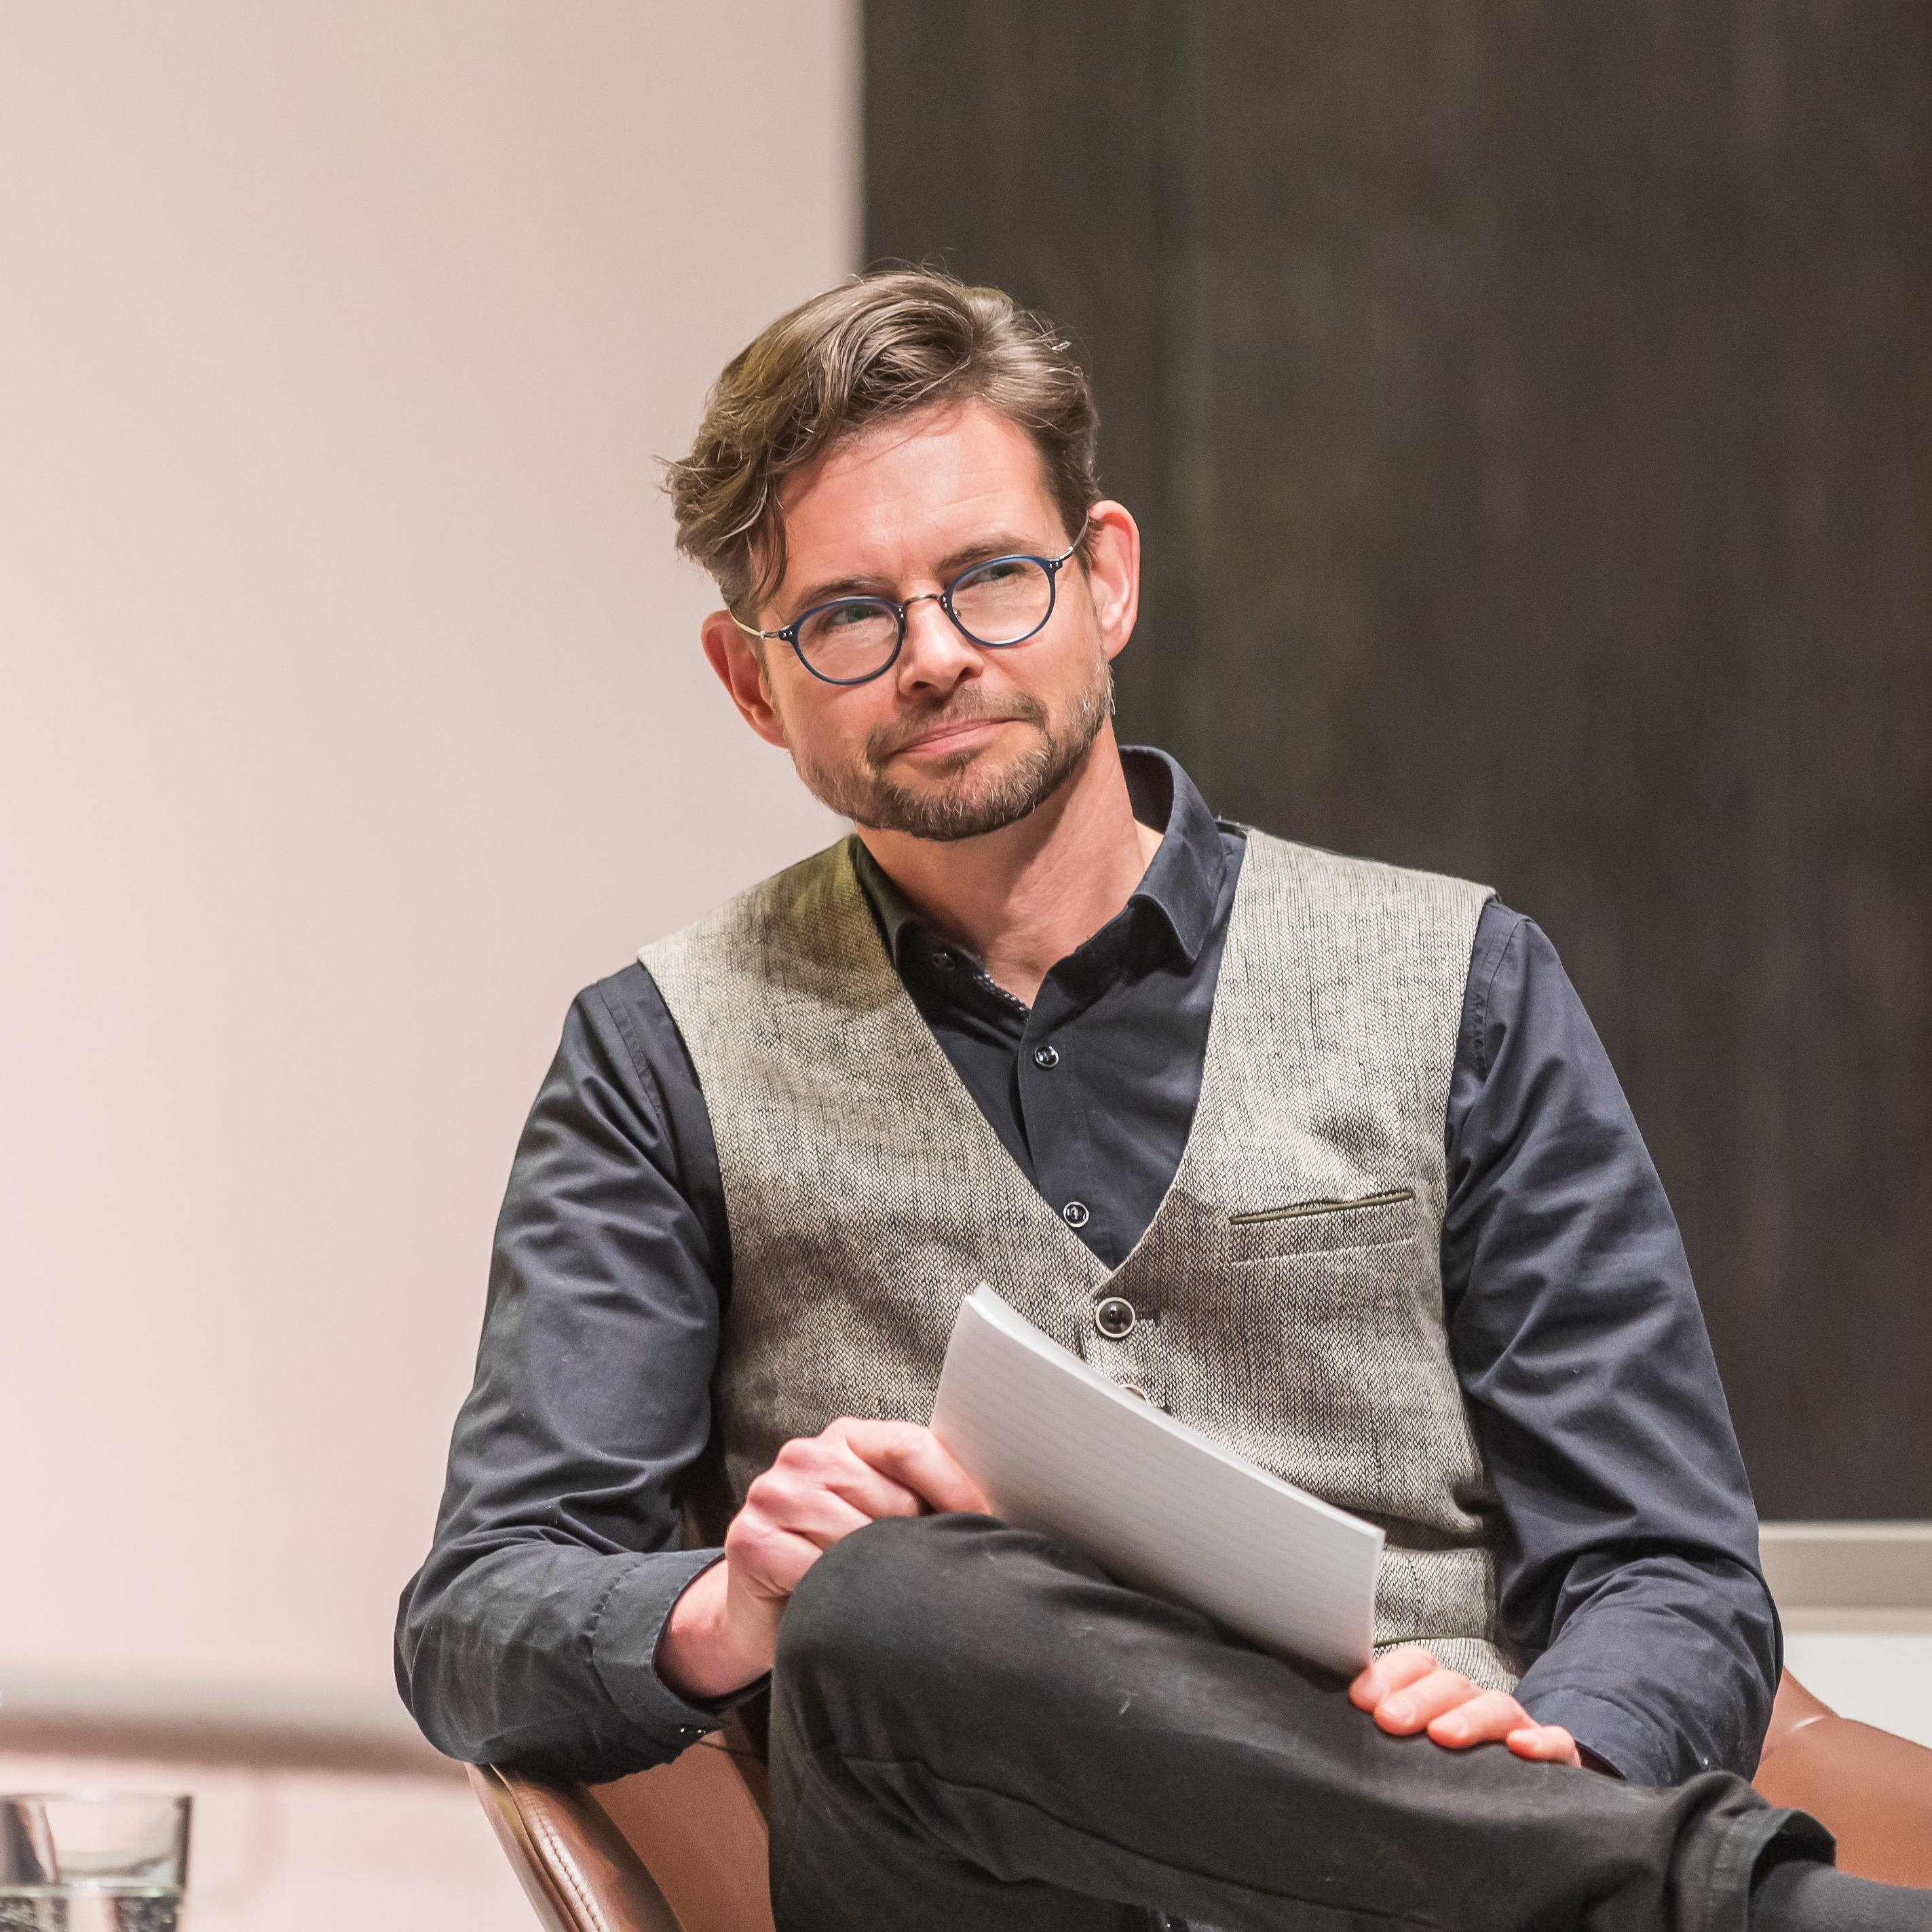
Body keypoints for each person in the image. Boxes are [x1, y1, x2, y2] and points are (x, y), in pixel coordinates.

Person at [396, 269, 1925, 1931]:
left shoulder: (1460, 980)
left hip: (1441, 1850)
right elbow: (477, 1610)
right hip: (967, 1883)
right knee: (887, 1596)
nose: (933, 657)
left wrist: (1559, 1750)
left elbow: (1665, 1565)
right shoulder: (655, 1056)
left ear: (1103, 578)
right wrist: (725, 1603)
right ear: (751, 680)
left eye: (990, 577)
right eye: (848, 615)